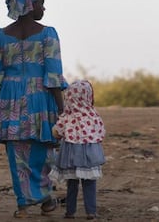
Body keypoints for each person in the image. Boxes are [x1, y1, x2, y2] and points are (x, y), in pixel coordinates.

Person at [0, 0, 68, 218]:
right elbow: (53, 76)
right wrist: (62, 109)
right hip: (40, 97)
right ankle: (45, 199)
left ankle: (23, 204)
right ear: (30, 3)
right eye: (41, 2)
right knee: (42, 148)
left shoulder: (0, 35)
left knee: (17, 153)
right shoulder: (48, 34)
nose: (44, 8)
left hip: (10, 98)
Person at [49, 80, 106, 220]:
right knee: (90, 184)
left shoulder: (67, 117)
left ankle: (70, 212)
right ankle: (91, 212)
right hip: (90, 155)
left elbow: (56, 132)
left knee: (72, 184)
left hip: (71, 155)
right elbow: (101, 133)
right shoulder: (94, 115)